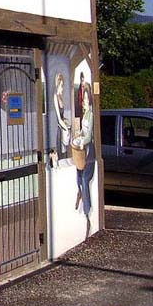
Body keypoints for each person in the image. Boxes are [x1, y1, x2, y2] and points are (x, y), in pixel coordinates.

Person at [72, 85, 95, 237]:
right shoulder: (85, 114)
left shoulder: (91, 115)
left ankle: (87, 211)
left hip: (88, 151)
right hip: (82, 149)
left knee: (85, 180)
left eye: (87, 99)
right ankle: (80, 194)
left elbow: (89, 135)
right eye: (84, 99)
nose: (85, 102)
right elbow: (83, 131)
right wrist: (77, 135)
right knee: (78, 177)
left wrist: (82, 141)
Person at [53, 72, 71, 159]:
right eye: (61, 85)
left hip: (63, 127)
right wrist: (66, 129)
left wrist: (67, 122)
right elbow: (59, 118)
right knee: (61, 153)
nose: (62, 88)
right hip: (60, 129)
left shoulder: (61, 97)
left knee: (65, 152)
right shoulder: (55, 97)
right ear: (58, 84)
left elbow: (62, 116)